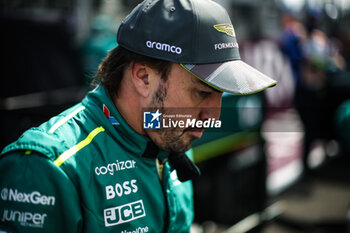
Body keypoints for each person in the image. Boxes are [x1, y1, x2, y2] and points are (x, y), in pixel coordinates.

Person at [0, 0, 276, 232]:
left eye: (221, 93)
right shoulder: (47, 168)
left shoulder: (172, 143)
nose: (212, 117)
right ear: (144, 77)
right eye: (202, 93)